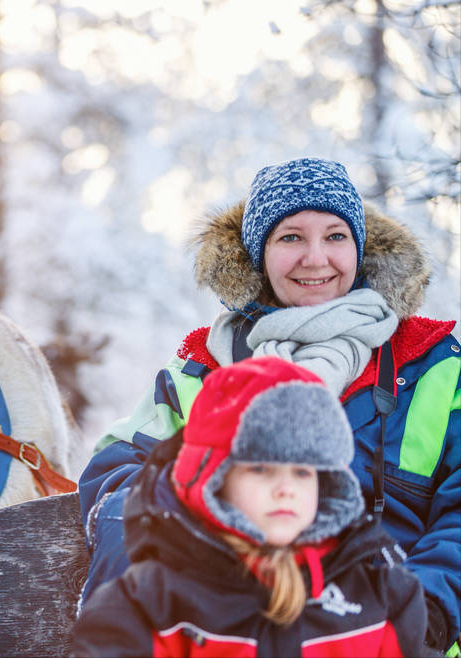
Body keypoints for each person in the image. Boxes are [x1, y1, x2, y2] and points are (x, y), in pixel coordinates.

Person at [78, 157, 460, 654]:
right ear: (259, 254)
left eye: (336, 236)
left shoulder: (431, 365)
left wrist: (419, 617)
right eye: (291, 237)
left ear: (360, 249)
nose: (316, 258)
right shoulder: (207, 368)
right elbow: (117, 475)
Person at [71, 357, 432, 657]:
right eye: (261, 469)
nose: (286, 489)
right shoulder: (155, 602)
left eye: (303, 471)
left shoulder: (375, 595)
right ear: (216, 479)